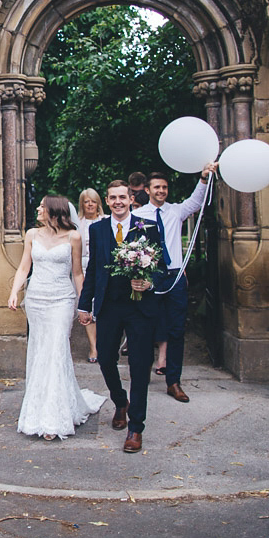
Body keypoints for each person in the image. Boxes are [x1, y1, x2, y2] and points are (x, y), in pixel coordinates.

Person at [7, 195, 106, 440]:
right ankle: (38, 410)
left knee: (56, 351)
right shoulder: (31, 234)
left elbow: (77, 273)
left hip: (62, 300)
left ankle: (53, 417)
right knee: (40, 352)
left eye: (42, 206)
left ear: (54, 211)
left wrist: (84, 305)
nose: (38, 209)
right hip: (37, 300)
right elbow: (23, 267)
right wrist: (14, 292)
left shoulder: (74, 237)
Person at [77, 179, 165, 453]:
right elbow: (92, 270)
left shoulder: (147, 227)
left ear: (130, 199)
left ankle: (136, 427)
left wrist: (150, 283)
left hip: (140, 308)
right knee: (105, 358)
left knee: (140, 366)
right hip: (110, 306)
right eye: (113, 197)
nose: (117, 202)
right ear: (108, 199)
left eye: (122, 197)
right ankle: (120, 401)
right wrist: (84, 304)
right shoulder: (99, 228)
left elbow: (162, 267)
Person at [131, 163, 217, 403]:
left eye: (165, 187)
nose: (161, 191)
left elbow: (195, 201)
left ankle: (174, 381)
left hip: (176, 275)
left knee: (177, 329)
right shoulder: (137, 216)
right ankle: (142, 375)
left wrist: (202, 177)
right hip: (151, 276)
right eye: (157, 187)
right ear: (147, 190)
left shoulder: (176, 211)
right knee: (146, 327)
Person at [75, 187, 106, 364]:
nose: (90, 205)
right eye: (86, 201)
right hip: (83, 265)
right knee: (88, 307)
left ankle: (104, 344)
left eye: (93, 201)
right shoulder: (77, 224)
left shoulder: (106, 221)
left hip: (101, 266)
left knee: (102, 307)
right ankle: (93, 346)